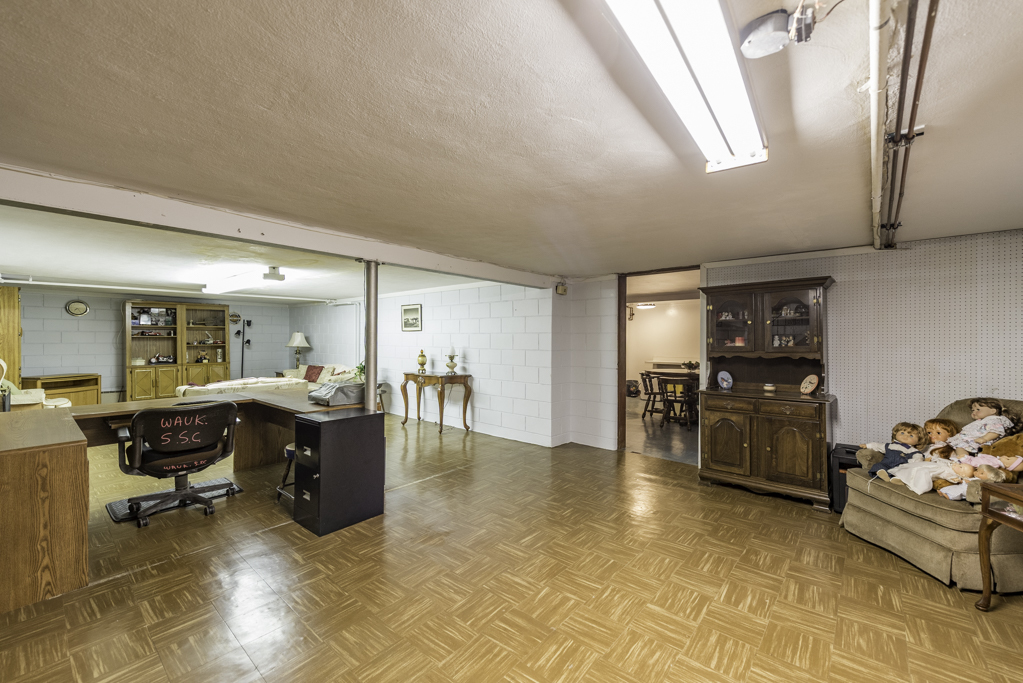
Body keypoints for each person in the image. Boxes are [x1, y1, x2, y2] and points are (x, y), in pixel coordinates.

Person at [948, 398, 1015, 458]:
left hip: (981, 441)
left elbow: (996, 431)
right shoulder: (981, 421)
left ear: (992, 411)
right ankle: (961, 459)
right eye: (973, 410)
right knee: (958, 447)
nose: (974, 412)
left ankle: (964, 460)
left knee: (961, 447)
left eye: (978, 409)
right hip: (971, 440)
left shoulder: (994, 419)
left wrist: (985, 438)